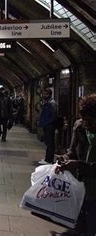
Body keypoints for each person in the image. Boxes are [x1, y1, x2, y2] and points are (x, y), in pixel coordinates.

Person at [56, 93, 96, 236]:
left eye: (90, 121)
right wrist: (64, 158)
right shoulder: (79, 127)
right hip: (80, 187)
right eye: (84, 120)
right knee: (79, 226)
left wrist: (78, 165)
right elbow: (72, 151)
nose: (86, 124)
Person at [38, 88, 57, 165]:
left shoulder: (52, 103)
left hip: (49, 126)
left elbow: (53, 115)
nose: (43, 95)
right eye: (43, 94)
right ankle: (47, 158)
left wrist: (48, 123)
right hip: (47, 125)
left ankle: (49, 160)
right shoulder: (48, 102)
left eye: (45, 94)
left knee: (50, 143)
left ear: (49, 94)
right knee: (48, 142)